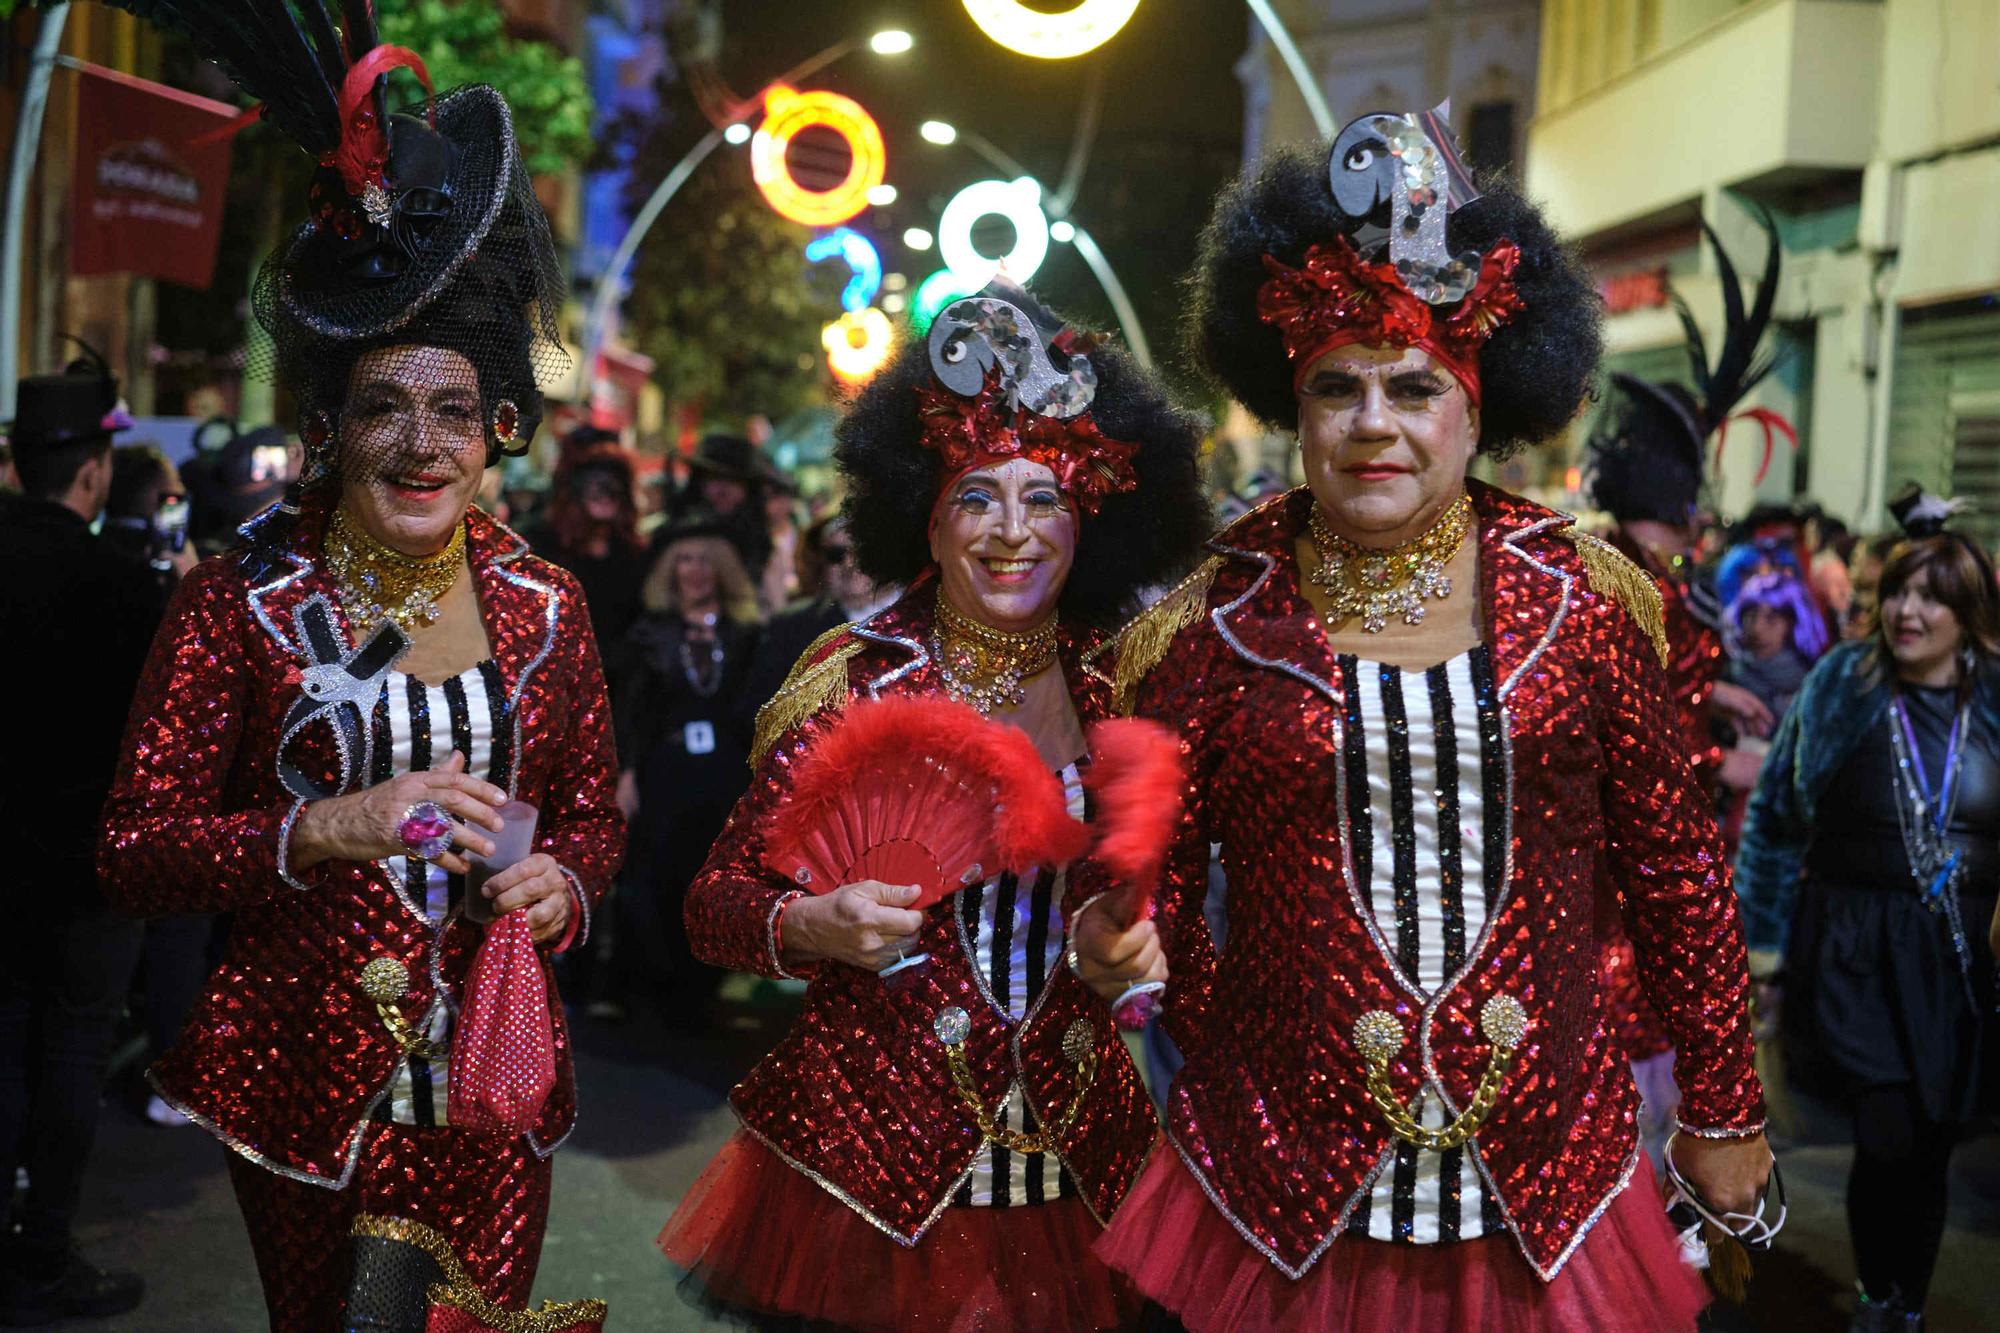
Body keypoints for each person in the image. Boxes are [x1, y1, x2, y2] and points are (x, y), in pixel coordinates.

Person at [1072, 108, 1773, 1332]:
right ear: (1288, 404)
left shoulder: (1588, 602)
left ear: (1477, 402)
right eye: (1334, 387)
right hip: (1281, 1171)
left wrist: (1720, 1108)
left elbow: (1675, 871)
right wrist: (1125, 953)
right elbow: (1151, 888)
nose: (1372, 424)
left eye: (1413, 387)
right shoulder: (1205, 622)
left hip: (1548, 1169)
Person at [94, 8, 616, 1329]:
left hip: (497, 1080)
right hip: (301, 1084)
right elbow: (136, 848)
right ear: (327, 428)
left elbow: (598, 813)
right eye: (384, 405)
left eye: (452, 408)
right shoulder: (245, 602)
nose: (420, 443)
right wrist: (327, 826)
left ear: (500, 426)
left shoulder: (550, 608)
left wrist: (568, 885)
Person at [655, 284, 1211, 1331]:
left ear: (1089, 515)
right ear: (923, 510)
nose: (1011, 531)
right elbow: (713, 905)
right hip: (866, 1183)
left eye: (1042, 497)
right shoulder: (852, 682)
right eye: (975, 495)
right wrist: (809, 924)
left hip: (1077, 1176)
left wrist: (1147, 951)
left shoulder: (1125, 692)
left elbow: (1179, 917)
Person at [1735, 487, 2000, 1331]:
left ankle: (1904, 1302)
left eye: (1929, 595)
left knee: (1926, 1143)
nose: (1907, 610)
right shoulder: (1841, 685)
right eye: (1896, 591)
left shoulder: (1993, 699)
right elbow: (1773, 820)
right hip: (1848, 943)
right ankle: (1878, 1298)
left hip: (1956, 952)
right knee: (1886, 1129)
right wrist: (1764, 953)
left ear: (1967, 610)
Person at [1581, 216, 1786, 1163]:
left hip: (1652, 886)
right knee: (1615, 1115)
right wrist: (1717, 751)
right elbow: (1612, 743)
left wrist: (1711, 708)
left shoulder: (1646, 584)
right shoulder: (1622, 591)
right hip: (1610, 897)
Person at [0, 348, 153, 1324]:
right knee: (66, 1056)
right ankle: (42, 1251)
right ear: (92, 471)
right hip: (84, 869)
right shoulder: (120, 584)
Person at [611, 525, 763, 1023]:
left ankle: (705, 985)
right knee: (658, 872)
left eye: (704, 560)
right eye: (684, 560)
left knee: (715, 873)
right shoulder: (649, 634)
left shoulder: (745, 635)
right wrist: (627, 773)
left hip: (724, 773)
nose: (694, 571)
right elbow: (630, 711)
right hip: (666, 771)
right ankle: (658, 985)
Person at [518, 433, 647, 681]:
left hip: (621, 685)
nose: (606, 491)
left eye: (614, 481)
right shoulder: (539, 544)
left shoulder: (632, 551)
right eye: (594, 480)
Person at [741, 514, 896, 712]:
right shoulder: (790, 627)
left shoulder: (922, 611)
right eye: (836, 555)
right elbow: (760, 709)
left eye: (862, 551)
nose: (849, 564)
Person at [1725, 569, 1828, 724]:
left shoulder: (1817, 681)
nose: (1757, 629)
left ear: (1793, 623)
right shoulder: (1728, 680)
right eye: (1751, 617)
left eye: (1771, 619)